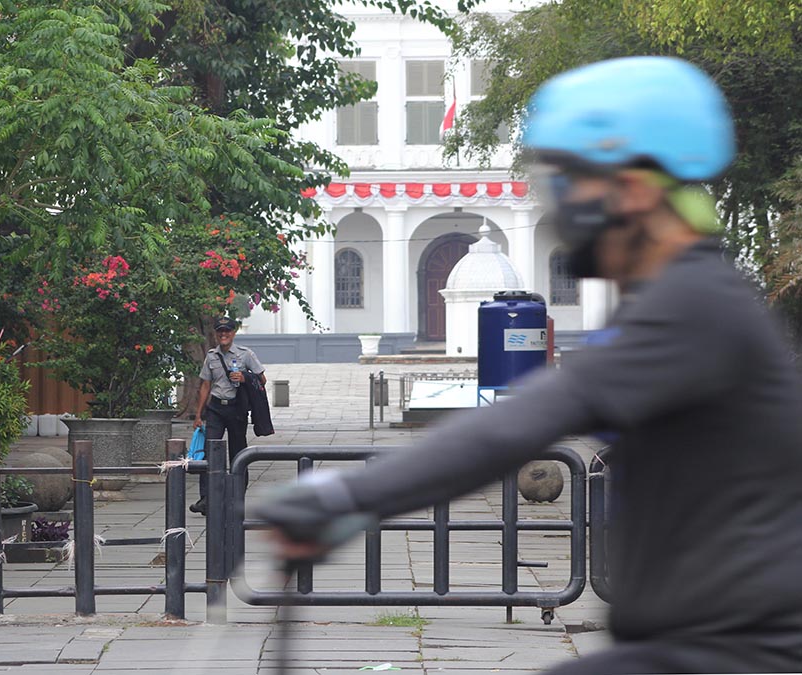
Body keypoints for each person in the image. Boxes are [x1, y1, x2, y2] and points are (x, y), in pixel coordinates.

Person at [257, 56, 802, 673]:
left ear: (638, 187)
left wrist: (346, 494)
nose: (561, 204)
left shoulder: (693, 307)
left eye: (572, 180)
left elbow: (517, 424)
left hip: (739, 652)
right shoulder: (684, 298)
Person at [190, 317, 266, 515]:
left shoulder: (245, 354)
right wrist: (199, 415)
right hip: (216, 408)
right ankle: (207, 498)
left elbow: (262, 379)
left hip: (236, 408)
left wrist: (244, 377)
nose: (223, 335)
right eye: (220, 332)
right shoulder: (211, 356)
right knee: (209, 450)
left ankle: (236, 497)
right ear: (216, 334)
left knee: (238, 453)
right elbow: (205, 385)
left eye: (227, 331)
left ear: (233, 333)